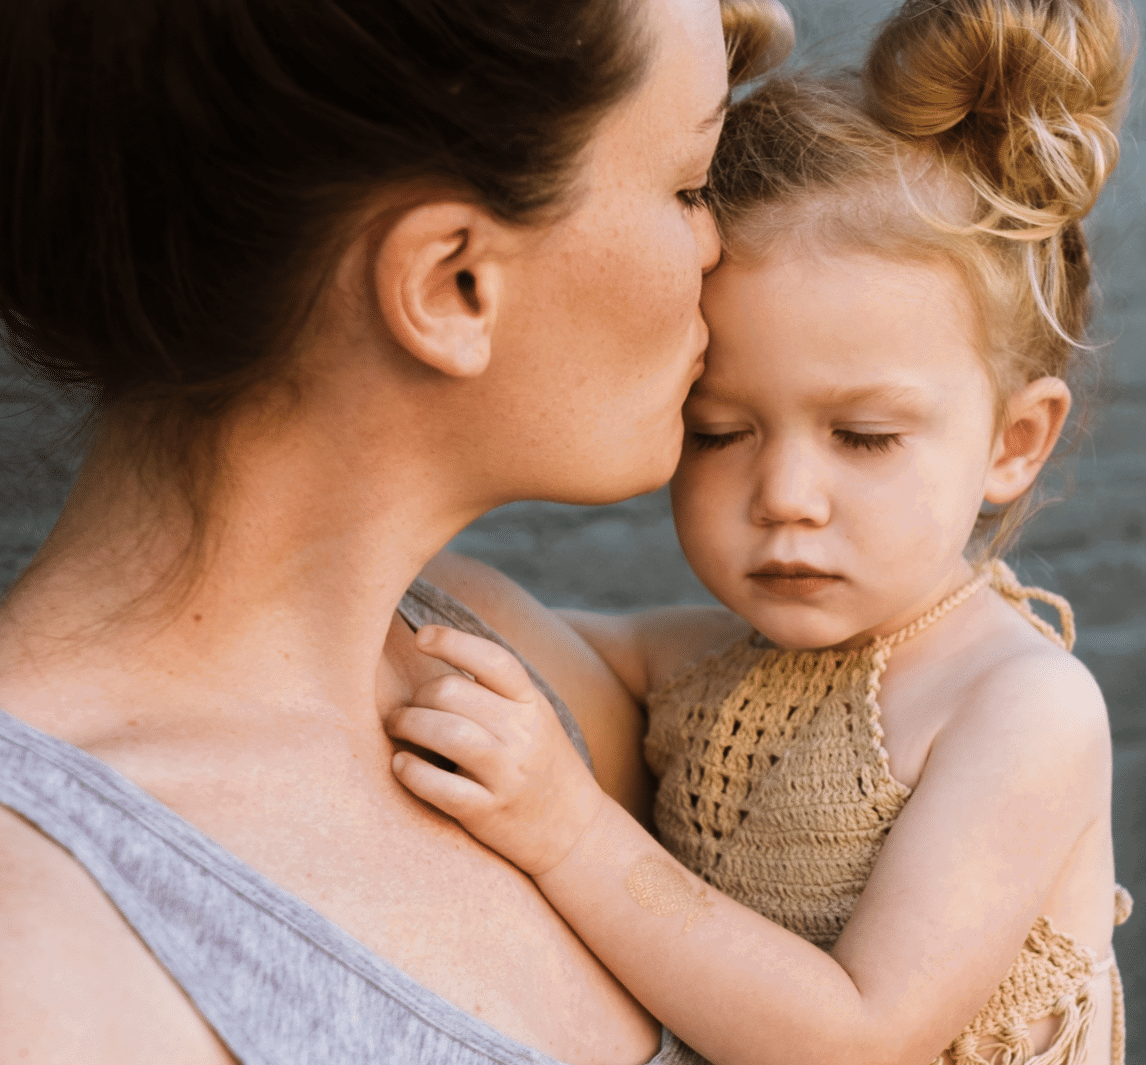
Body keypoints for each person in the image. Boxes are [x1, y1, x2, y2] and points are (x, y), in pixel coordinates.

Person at [0, 0, 789, 1061]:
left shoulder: (511, 671)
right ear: (452, 284)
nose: (719, 244)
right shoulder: (45, 953)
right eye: (689, 186)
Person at [383, 2, 1139, 1063]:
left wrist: (568, 830)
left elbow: (858, 1036)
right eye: (720, 430)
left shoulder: (1018, 709)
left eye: (864, 437)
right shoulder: (705, 665)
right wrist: (370, 551)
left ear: (1015, 441)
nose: (785, 493)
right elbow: (500, 620)